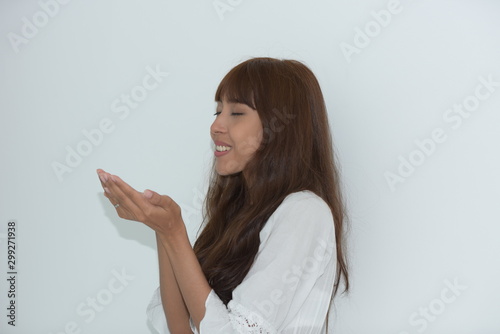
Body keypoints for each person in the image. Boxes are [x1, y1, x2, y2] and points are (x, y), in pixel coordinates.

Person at [96, 57, 349, 333]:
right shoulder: (237, 213)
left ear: (282, 126)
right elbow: (179, 329)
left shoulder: (304, 212)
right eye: (218, 112)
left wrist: (174, 232)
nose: (216, 126)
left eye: (237, 113)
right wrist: (163, 230)